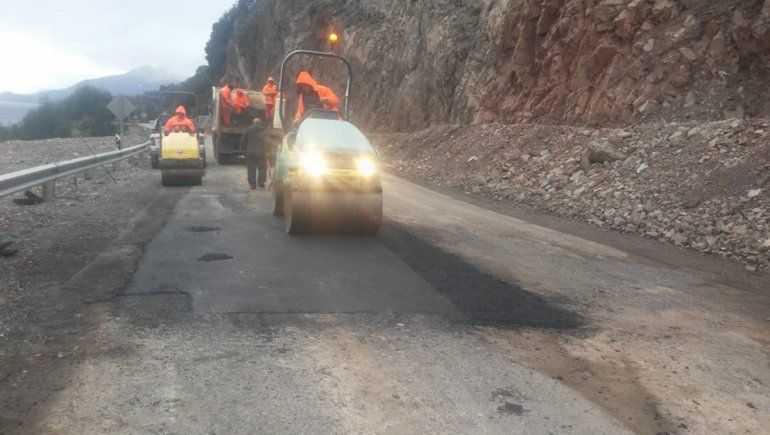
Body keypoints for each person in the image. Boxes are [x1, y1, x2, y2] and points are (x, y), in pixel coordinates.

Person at [241, 117, 268, 189]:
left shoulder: (248, 130)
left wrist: (244, 150)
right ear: (260, 123)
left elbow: (243, 141)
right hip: (261, 153)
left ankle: (252, 185)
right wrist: (267, 151)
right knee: (262, 168)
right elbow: (267, 142)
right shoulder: (263, 131)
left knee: (251, 169)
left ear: (253, 123)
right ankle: (261, 183)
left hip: (250, 153)